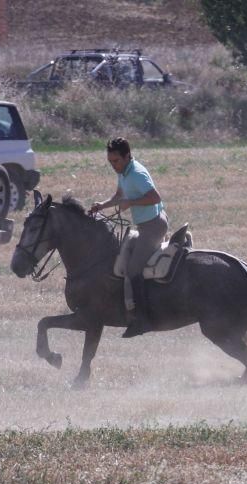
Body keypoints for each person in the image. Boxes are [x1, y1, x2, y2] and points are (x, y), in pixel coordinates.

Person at [89, 137, 167, 338]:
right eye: (110, 162)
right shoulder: (124, 172)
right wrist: (101, 205)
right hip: (145, 226)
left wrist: (131, 202)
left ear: (127, 156)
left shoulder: (137, 174)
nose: (113, 165)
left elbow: (155, 197)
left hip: (153, 227)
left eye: (116, 161)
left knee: (133, 269)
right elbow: (118, 196)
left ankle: (142, 319)